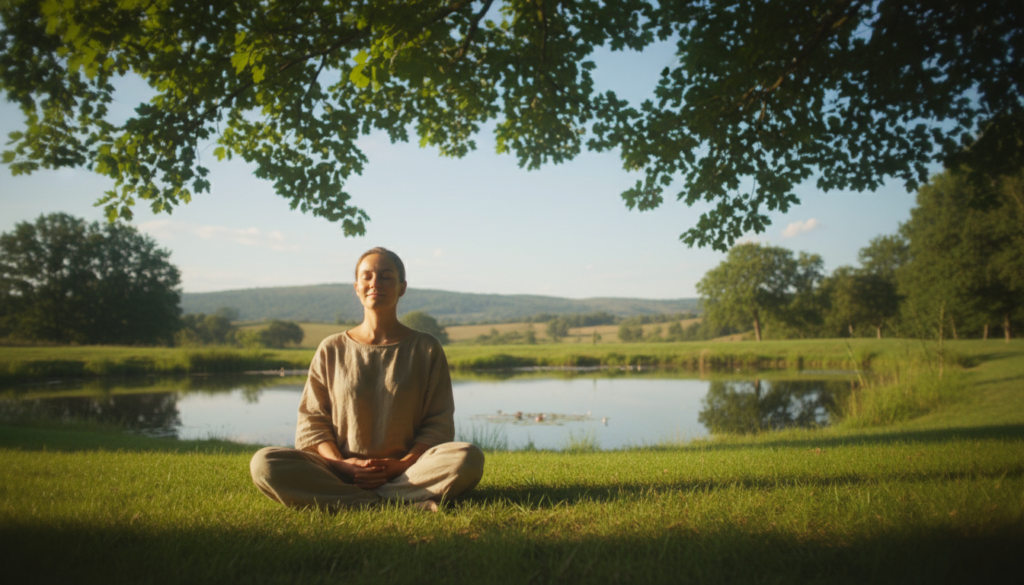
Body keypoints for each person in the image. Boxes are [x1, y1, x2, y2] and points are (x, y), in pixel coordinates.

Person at [250, 247, 484, 511]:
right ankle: (399, 502)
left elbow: (438, 424)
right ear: (357, 286)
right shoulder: (332, 348)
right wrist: (343, 465)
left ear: (402, 287)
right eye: (367, 277)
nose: (376, 284)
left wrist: (402, 464)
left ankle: (355, 501)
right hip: (338, 472)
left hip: (409, 471)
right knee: (265, 463)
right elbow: (312, 422)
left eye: (386, 277)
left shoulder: (426, 348)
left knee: (468, 457)